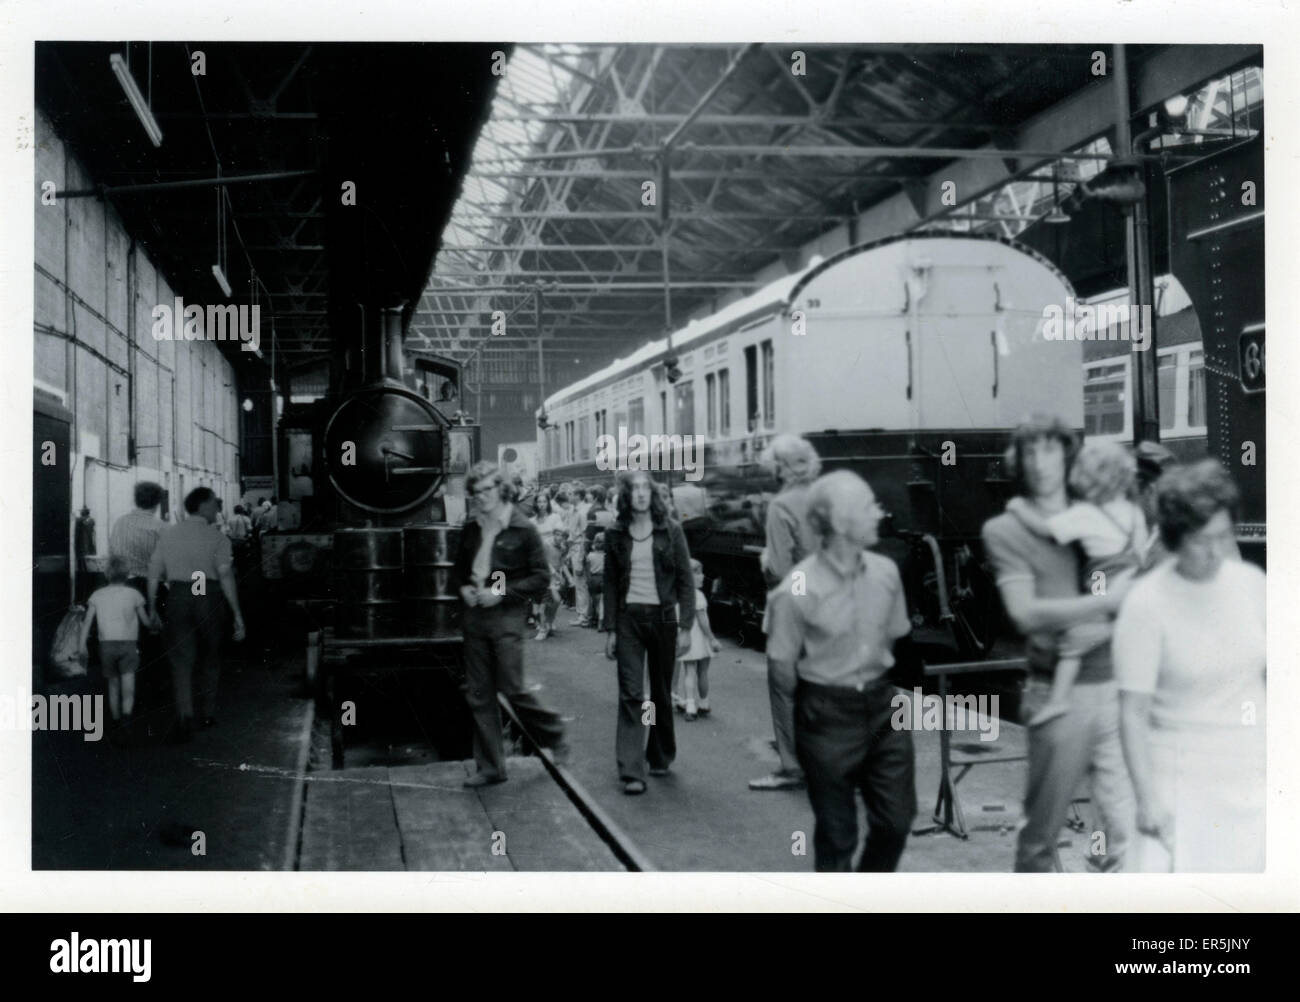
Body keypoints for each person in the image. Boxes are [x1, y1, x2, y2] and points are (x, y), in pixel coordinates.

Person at [981, 415, 1135, 872]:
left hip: (1120, 684)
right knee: (1041, 839)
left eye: (1050, 450)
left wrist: (1113, 613)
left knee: (1124, 833)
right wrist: (1106, 606)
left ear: (1067, 455)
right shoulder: (1005, 529)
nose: (1040, 462)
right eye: (1029, 452)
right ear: (1018, 462)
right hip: (1059, 694)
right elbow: (1024, 613)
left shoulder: (1096, 507)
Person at [1114, 459, 1265, 872]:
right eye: (1202, 540)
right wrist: (1147, 800)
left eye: (1223, 535)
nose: (1217, 550)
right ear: (1177, 538)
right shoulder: (1146, 604)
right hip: (1181, 788)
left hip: (1250, 779)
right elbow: (1133, 712)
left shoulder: (1251, 585)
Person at [765, 470, 915, 871]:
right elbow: (782, 665)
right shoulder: (798, 587)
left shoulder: (886, 572)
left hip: (885, 708)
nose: (879, 514)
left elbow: (896, 634)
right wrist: (815, 710)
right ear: (840, 521)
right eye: (868, 507)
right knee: (837, 834)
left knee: (896, 821)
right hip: (826, 714)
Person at [1006, 440, 1149, 726]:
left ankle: (1058, 701)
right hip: (1132, 580)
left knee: (1074, 641)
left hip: (1103, 580)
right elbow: (1141, 552)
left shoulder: (1085, 514)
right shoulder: (1134, 511)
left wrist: (1018, 508)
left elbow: (1046, 530)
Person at [452, 461, 568, 786]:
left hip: (505, 616)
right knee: (479, 692)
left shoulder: (522, 528)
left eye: (488, 489)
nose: (482, 496)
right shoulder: (471, 526)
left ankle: (553, 733)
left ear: (502, 488)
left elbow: (540, 578)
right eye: (476, 491)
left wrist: (499, 591)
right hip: (474, 615)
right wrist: (463, 586)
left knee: (512, 687)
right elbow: (459, 570)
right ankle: (491, 767)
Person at [603, 469, 695, 795]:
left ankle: (658, 754)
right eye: (635, 488)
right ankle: (631, 769)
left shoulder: (671, 531)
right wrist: (611, 629)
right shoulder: (615, 534)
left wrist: (686, 627)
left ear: (652, 494)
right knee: (631, 692)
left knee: (659, 693)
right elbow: (611, 583)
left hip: (664, 620)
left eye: (646, 488)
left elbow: (686, 581)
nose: (641, 493)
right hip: (629, 620)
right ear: (626, 496)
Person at [147, 487, 247, 742]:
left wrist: (150, 607)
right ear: (202, 505)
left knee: (181, 659)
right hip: (208, 596)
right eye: (215, 503)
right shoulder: (217, 538)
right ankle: (208, 713)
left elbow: (153, 572)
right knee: (210, 656)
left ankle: (185, 716)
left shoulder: (168, 535)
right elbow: (224, 575)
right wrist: (237, 614)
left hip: (179, 597)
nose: (218, 509)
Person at [751, 434, 821, 792]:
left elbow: (779, 568)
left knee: (784, 687)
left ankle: (793, 768)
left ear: (783, 467)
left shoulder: (781, 506)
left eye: (775, 464)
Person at [79, 555, 151, 745]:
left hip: (106, 645)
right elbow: (145, 621)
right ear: (127, 574)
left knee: (113, 685)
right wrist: (155, 625)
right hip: (128, 644)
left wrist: (81, 644)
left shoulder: (97, 596)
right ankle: (127, 719)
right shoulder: (134, 595)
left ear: (106, 573)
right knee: (129, 685)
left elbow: (87, 622)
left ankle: (116, 722)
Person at [679, 559, 722, 721]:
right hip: (700, 639)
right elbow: (703, 621)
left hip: (686, 638)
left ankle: (690, 706)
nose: (702, 576)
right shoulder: (698, 596)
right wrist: (712, 639)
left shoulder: (680, 593)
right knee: (702, 672)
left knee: (689, 672)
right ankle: (703, 703)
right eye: (697, 573)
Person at [585, 531, 607, 630]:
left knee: (596, 602)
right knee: (603, 602)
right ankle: (601, 621)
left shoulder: (590, 556)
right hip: (603, 578)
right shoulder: (607, 556)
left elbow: (588, 571)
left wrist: (588, 582)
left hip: (593, 579)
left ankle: (594, 619)